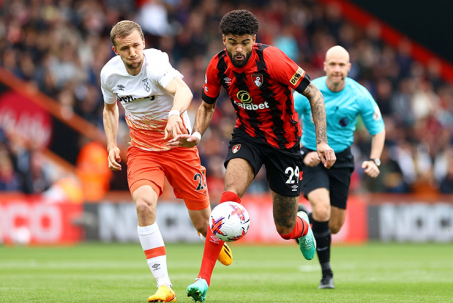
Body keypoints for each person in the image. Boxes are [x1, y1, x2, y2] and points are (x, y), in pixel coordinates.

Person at [168, 10, 336, 302]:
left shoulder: (274, 60)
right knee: (227, 199)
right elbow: (207, 106)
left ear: (254, 39)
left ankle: (302, 226)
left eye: (245, 42)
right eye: (233, 42)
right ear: (224, 40)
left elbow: (315, 95)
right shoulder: (218, 65)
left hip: (285, 145)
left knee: (284, 228)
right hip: (247, 137)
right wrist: (196, 134)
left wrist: (321, 142)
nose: (239, 49)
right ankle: (202, 280)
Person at [100, 20, 233, 303]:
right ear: (116, 50)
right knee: (144, 204)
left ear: (143, 43)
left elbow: (184, 92)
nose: (133, 52)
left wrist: (174, 114)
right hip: (143, 149)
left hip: (179, 145)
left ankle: (209, 234)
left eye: (137, 45)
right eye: (126, 48)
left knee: (202, 222)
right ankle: (164, 285)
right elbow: (110, 108)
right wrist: (111, 144)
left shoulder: (157, 63)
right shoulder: (109, 75)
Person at [294, 45, 386, 289]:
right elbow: (287, 122)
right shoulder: (310, 91)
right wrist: (302, 155)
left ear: (349, 67)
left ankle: (303, 222)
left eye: (341, 65)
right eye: (332, 64)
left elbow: (379, 130)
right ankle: (327, 274)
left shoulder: (360, 95)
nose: (336, 69)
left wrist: (375, 159)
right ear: (324, 66)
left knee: (334, 224)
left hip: (342, 159)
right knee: (322, 211)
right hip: (311, 156)